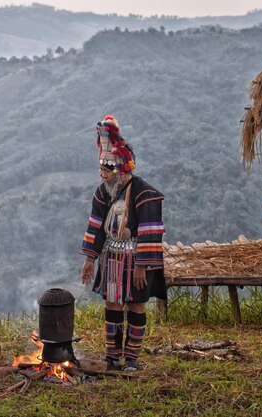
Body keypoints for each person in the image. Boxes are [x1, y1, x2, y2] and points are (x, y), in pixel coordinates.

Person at [80, 115, 166, 371]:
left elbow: (151, 232)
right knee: (112, 304)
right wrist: (89, 259)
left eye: (106, 171)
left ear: (121, 170)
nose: (103, 176)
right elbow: (96, 226)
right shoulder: (102, 192)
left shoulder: (145, 194)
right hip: (112, 257)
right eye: (102, 171)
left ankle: (131, 359)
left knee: (136, 304)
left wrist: (142, 266)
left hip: (137, 258)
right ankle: (111, 357)